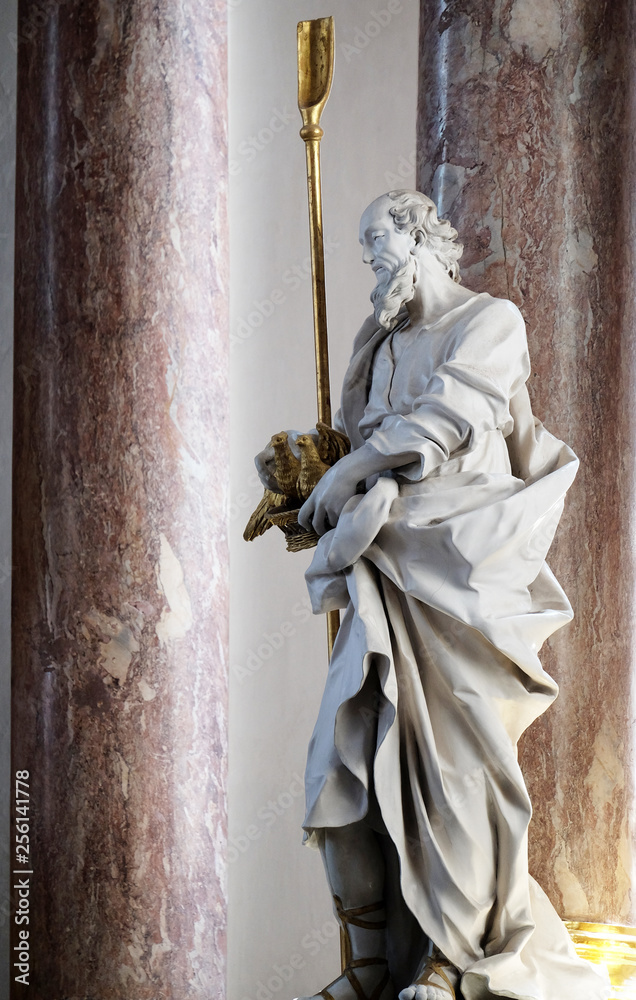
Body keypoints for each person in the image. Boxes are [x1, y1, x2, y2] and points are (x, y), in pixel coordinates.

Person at [256, 191, 610, 1000]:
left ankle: (455, 958)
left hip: (458, 574)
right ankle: (371, 963)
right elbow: (355, 445)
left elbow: (443, 424)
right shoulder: (376, 342)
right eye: (364, 250)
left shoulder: (490, 321)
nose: (371, 262)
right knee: (339, 767)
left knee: (454, 775)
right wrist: (304, 477)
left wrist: (351, 472)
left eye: (380, 245)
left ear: (425, 245)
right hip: (383, 570)